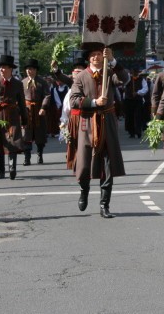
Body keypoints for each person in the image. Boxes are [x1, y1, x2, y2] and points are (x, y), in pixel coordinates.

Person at [69, 46, 126, 218]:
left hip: (107, 120)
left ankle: (104, 205)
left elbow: (124, 79)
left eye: (99, 54)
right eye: (92, 55)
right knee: (85, 162)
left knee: (107, 164)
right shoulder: (81, 76)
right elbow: (73, 100)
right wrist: (94, 102)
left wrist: (114, 61)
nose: (96, 57)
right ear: (88, 58)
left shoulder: (110, 71)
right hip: (88, 122)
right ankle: (84, 191)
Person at [0, 55, 28, 180]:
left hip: (12, 115)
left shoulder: (18, 84)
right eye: (1, 67)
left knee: (14, 140)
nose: (2, 69)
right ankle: (1, 170)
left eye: (4, 67)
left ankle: (12, 167)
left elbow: (22, 103)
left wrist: (24, 119)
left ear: (10, 69)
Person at [21, 59, 51, 165]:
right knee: (26, 135)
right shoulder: (23, 82)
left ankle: (40, 155)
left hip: (39, 111)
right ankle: (27, 158)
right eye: (28, 69)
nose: (29, 71)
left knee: (40, 135)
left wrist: (43, 107)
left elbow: (47, 95)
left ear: (36, 70)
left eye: (32, 69)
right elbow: (19, 97)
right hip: (27, 111)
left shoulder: (42, 82)